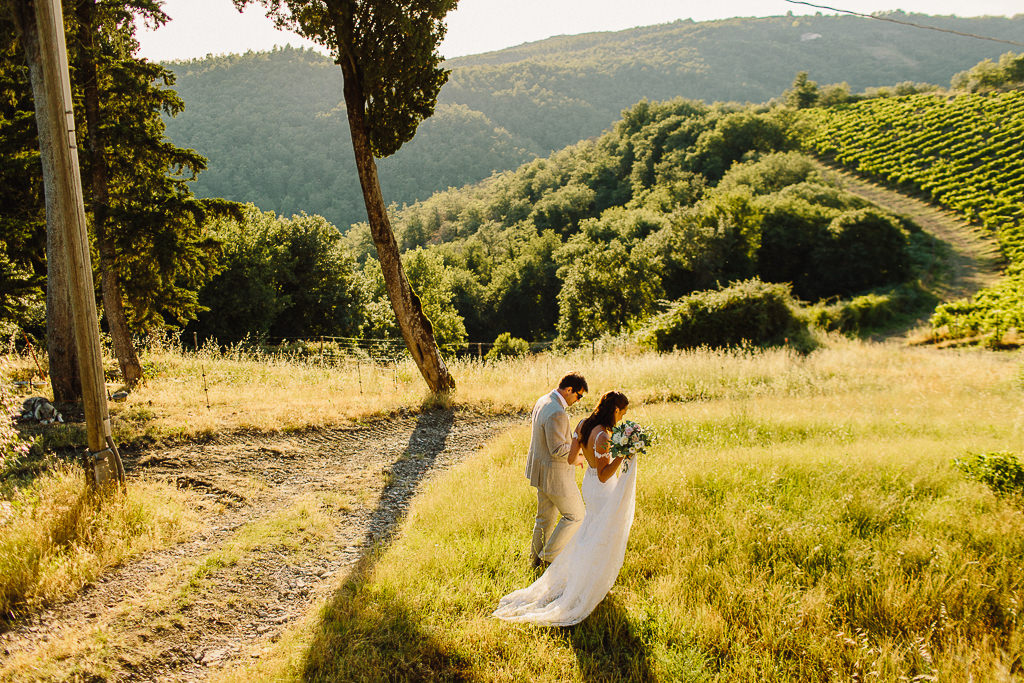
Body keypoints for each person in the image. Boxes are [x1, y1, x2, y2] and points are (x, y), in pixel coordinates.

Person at [495, 391, 636, 626]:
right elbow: (603, 475)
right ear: (615, 410)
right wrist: (622, 456)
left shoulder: (583, 424)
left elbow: (572, 459)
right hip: (600, 489)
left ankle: (586, 579)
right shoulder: (602, 435)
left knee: (591, 533)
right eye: (622, 413)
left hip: (588, 486)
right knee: (601, 536)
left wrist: (590, 457)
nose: (622, 418)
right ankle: (587, 585)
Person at [525, 372, 589, 568]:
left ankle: (534, 561)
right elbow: (557, 449)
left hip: (540, 472)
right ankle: (548, 557)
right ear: (569, 390)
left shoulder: (543, 400)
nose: (578, 400)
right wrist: (580, 455)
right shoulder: (557, 412)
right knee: (576, 516)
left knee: (544, 519)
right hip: (555, 475)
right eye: (578, 395)